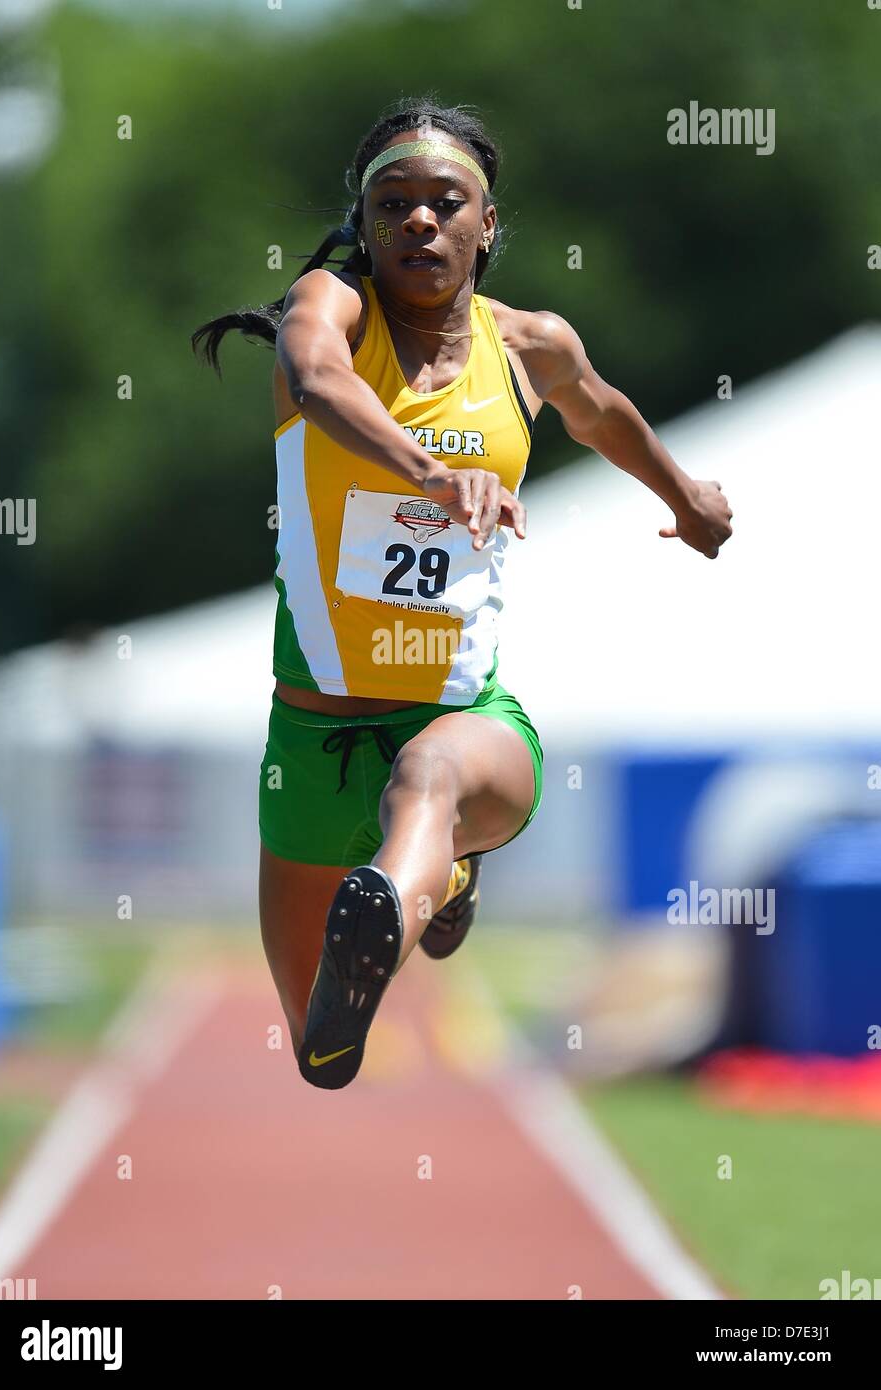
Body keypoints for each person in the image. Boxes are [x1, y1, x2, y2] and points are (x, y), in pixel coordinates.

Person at [192, 97, 733, 1091]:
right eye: (393, 204)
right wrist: (429, 473)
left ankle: (432, 864)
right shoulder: (331, 310)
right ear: (366, 224)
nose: (420, 222)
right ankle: (438, 874)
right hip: (313, 738)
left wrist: (685, 493)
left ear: (487, 224)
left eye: (446, 202)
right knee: (321, 1051)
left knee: (429, 779)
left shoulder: (529, 346)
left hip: (461, 720)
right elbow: (313, 381)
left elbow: (600, 411)